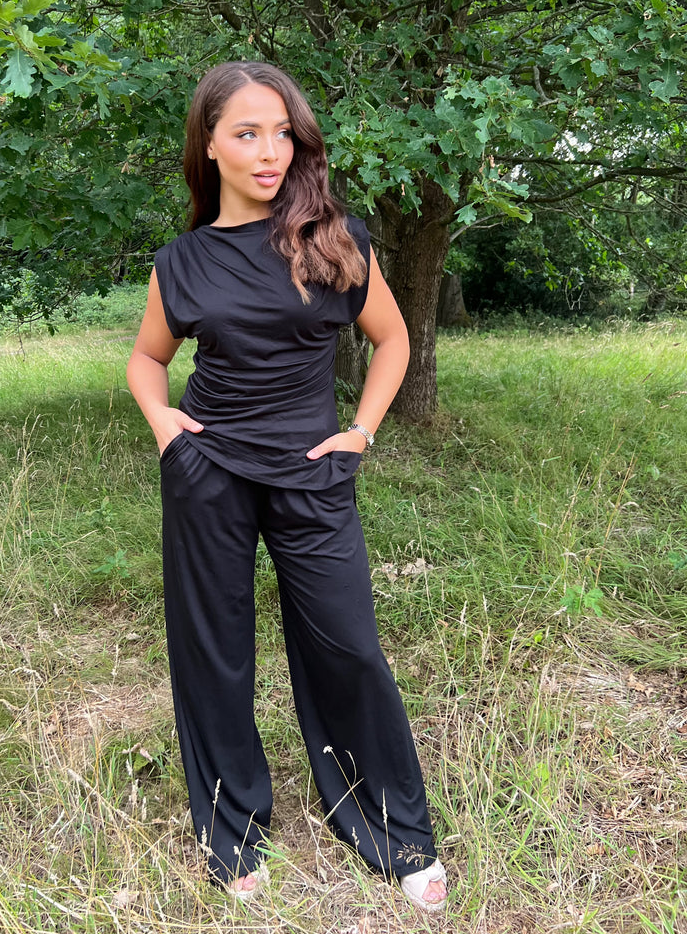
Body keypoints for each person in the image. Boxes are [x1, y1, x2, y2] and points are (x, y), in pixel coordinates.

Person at [126, 61, 447, 912]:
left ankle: (393, 830)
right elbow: (147, 359)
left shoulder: (333, 237)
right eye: (247, 133)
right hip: (209, 472)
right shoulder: (182, 261)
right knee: (214, 652)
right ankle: (232, 832)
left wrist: (361, 430)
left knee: (349, 644)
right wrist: (164, 425)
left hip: (314, 470)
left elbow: (393, 340)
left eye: (283, 134)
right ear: (209, 145)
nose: (270, 152)